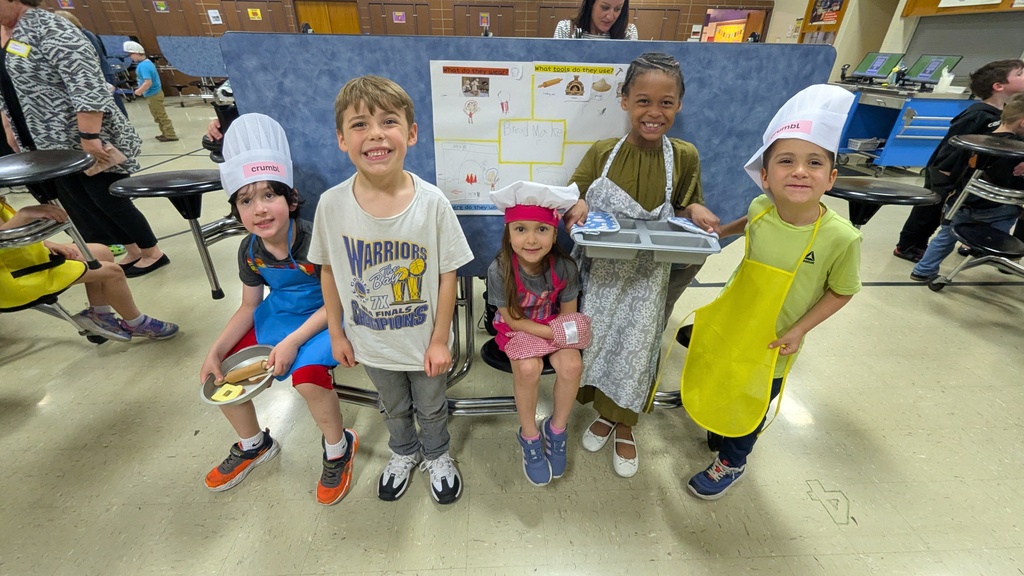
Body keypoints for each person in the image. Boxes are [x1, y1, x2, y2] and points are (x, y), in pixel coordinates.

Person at [683, 84, 861, 500]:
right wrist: (721, 232)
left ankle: (733, 461)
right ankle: (722, 423)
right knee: (724, 375)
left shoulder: (841, 238)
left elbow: (842, 291)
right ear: (765, 176)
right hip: (736, 319)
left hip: (775, 339)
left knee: (754, 399)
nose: (799, 171)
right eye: (786, 161)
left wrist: (798, 331)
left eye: (814, 163)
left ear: (831, 178)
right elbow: (749, 222)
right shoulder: (761, 207)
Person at [310, 75, 474, 505]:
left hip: (424, 344)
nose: (376, 134)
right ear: (342, 139)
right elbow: (329, 271)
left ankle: (436, 453)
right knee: (393, 406)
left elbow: (448, 274)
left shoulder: (433, 203)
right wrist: (336, 333)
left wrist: (439, 341)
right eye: (360, 124)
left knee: (432, 406)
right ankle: (404, 451)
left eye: (388, 121)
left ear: (411, 133)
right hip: (371, 343)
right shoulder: (331, 205)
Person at [561, 52, 721, 478]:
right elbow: (574, 195)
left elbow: (683, 206)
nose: (654, 112)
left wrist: (695, 209)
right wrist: (577, 204)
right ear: (624, 100)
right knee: (599, 344)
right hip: (602, 273)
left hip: (650, 276)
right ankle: (603, 413)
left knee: (637, 351)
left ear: (679, 105)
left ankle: (625, 424)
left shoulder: (683, 156)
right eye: (643, 101)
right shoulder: (603, 152)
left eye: (666, 102)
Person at [199, 114, 357, 505]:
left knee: (307, 378)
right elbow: (249, 305)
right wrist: (216, 351)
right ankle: (254, 444)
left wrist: (292, 343)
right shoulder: (249, 250)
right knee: (224, 375)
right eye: (246, 200)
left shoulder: (314, 239)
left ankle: (338, 447)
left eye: (270, 195)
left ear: (291, 200)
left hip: (327, 316)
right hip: (281, 314)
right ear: (236, 211)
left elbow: (337, 299)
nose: (260, 209)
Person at [0, 2, 168, 276]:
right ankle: (132, 250)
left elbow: (87, 84)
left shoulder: (49, 27)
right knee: (83, 203)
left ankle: (152, 252)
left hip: (80, 136)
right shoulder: (6, 33)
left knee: (108, 198)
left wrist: (89, 136)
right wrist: (9, 125)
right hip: (46, 142)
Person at [486, 181, 586, 486]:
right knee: (529, 368)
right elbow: (514, 321)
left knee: (572, 365)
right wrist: (553, 335)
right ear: (509, 233)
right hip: (518, 329)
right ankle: (529, 435)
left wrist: (561, 336)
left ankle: (556, 430)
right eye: (521, 229)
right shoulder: (499, 269)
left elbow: (568, 313)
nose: (531, 239)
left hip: (552, 324)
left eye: (541, 229)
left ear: (555, 234)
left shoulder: (565, 267)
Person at [893, 59, 1024, 263]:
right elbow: (952, 147)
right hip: (946, 172)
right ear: (998, 86)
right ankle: (908, 245)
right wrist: (945, 176)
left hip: (967, 175)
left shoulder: (1004, 114)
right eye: (1020, 74)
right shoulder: (979, 114)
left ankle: (969, 242)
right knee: (929, 212)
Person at [0, 196, 178, 341]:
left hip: (21, 258)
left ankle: (99, 316)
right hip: (13, 280)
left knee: (100, 252)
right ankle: (136, 323)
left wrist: (48, 243)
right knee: (112, 273)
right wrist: (23, 215)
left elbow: (10, 232)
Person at [910, 93, 1024, 282]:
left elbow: (952, 171)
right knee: (1011, 214)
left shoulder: (972, 141)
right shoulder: (1018, 150)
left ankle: (923, 270)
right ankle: (997, 255)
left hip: (960, 202)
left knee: (944, 238)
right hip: (998, 210)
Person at [52, 10, 127, 118]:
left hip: (103, 75)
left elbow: (95, 57)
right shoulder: (78, 35)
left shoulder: (85, 35)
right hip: (99, 74)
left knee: (113, 109)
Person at [123, 41, 177, 142]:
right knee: (157, 115)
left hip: (153, 94)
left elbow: (148, 82)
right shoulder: (147, 63)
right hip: (153, 93)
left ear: (136, 53)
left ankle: (170, 134)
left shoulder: (143, 66)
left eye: (130, 54)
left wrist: (139, 91)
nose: (130, 57)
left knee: (160, 115)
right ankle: (165, 133)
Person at [553, 0, 638, 40]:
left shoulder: (628, 32)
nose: (610, 17)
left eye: (617, 9)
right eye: (605, 7)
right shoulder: (566, 28)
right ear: (590, 4)